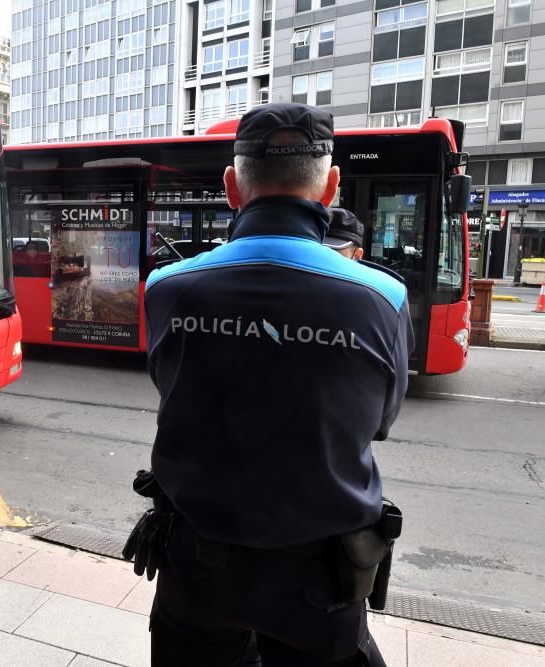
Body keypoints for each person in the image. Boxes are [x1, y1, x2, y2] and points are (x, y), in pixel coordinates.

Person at [134, 103, 413, 666]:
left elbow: (171, 387)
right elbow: (380, 422)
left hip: (197, 567)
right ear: (331, 187)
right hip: (322, 579)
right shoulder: (383, 297)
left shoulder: (166, 287)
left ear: (231, 187)